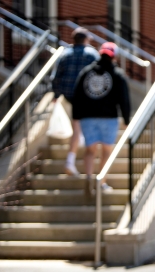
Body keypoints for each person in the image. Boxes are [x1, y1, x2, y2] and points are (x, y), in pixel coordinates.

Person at [72, 42, 131, 193]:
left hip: (87, 117)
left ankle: (89, 178)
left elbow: (77, 95)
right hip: (109, 118)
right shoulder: (117, 74)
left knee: (90, 151)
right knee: (106, 151)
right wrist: (126, 119)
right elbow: (124, 98)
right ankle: (101, 181)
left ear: (100, 53)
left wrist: (76, 116)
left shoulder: (86, 72)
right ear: (114, 56)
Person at [52, 27, 99, 176]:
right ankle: (71, 161)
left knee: (76, 126)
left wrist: (56, 94)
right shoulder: (92, 54)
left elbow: (57, 76)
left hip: (68, 96)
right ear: (85, 40)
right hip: (85, 97)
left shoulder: (65, 55)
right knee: (79, 128)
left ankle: (73, 157)